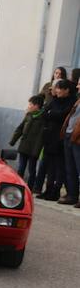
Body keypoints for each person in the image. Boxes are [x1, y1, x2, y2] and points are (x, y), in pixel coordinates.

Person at [36, 79, 74, 201]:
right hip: (49, 137)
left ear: (66, 90)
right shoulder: (54, 100)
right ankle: (48, 190)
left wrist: (52, 114)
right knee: (49, 166)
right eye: (56, 88)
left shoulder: (71, 101)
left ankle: (55, 191)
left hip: (59, 138)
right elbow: (44, 113)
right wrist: (52, 114)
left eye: (59, 88)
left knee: (59, 166)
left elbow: (63, 115)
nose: (56, 91)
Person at [9, 94, 45, 192]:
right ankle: (19, 185)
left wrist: (37, 150)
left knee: (31, 169)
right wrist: (13, 140)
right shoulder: (28, 115)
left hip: (34, 148)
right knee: (21, 167)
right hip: (24, 146)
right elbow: (20, 129)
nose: (28, 106)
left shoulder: (43, 118)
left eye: (30, 104)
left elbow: (40, 137)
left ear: (36, 106)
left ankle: (30, 187)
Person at [59, 78, 80, 207]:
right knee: (70, 168)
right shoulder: (78, 100)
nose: (77, 86)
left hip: (77, 138)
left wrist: (74, 134)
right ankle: (72, 195)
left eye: (79, 84)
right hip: (69, 135)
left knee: (78, 169)